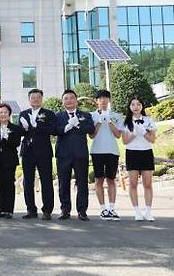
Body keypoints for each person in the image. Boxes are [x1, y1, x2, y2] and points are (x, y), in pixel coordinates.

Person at [55, 89, 95, 221]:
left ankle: (82, 211)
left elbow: (91, 129)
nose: (69, 100)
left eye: (71, 98)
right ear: (63, 102)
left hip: (80, 154)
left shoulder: (85, 115)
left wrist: (78, 125)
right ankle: (65, 210)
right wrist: (67, 126)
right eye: (66, 98)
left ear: (76, 100)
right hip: (63, 154)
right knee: (63, 183)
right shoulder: (58, 116)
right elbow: (55, 131)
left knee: (82, 183)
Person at [18, 89, 57, 220]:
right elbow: (21, 133)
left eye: (38, 97)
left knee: (46, 181)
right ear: (29, 100)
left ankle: (47, 210)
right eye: (33, 97)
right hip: (28, 152)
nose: (35, 99)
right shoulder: (23, 114)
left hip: (44, 152)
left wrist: (37, 126)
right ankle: (31, 209)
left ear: (41, 99)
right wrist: (23, 129)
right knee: (27, 182)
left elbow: (53, 130)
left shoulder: (49, 113)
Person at [89, 89, 123, 221]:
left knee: (111, 179)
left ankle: (112, 208)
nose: (103, 100)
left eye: (106, 98)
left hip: (112, 151)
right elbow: (91, 135)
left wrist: (109, 121)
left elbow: (118, 135)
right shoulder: (91, 116)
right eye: (100, 98)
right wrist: (99, 122)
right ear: (96, 101)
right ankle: (103, 209)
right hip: (97, 151)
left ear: (109, 100)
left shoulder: (116, 116)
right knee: (99, 179)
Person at [122, 97, 157, 221]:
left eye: (138, 104)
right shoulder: (126, 122)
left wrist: (144, 132)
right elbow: (125, 141)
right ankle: (137, 211)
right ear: (129, 107)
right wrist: (133, 134)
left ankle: (148, 211)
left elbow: (152, 139)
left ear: (142, 106)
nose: (136, 106)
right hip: (132, 153)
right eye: (133, 104)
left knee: (148, 184)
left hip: (146, 152)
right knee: (133, 184)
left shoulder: (149, 120)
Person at [0, 103, 22, 219]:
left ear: (9, 114)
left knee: (9, 184)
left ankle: (9, 211)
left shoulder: (15, 128)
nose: (3, 114)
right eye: (0, 112)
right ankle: (2, 210)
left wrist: (8, 137)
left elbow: (17, 142)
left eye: (5, 112)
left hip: (9, 160)